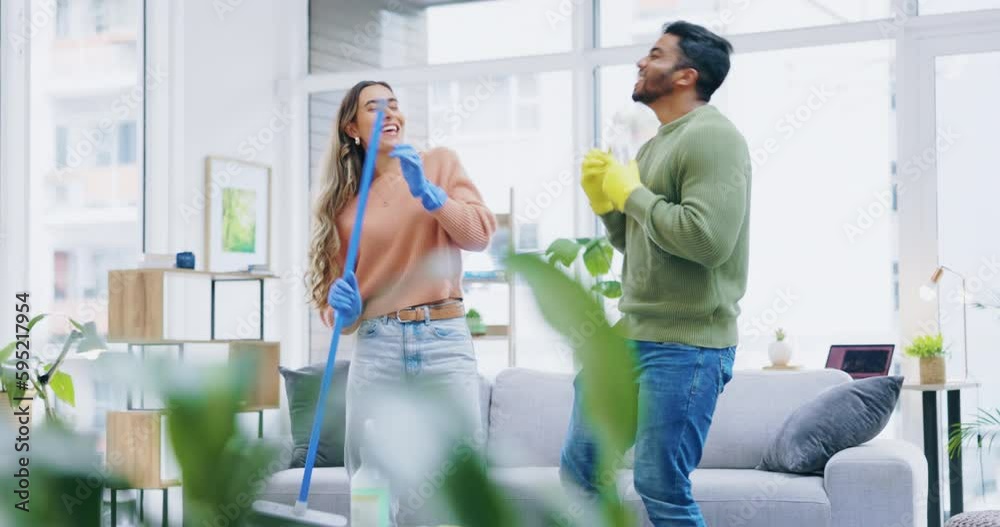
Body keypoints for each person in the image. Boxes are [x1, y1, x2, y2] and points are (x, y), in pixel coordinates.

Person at [560, 21, 751, 527]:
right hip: (633, 334)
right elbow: (637, 244)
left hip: (687, 345)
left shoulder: (714, 139)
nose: (642, 63)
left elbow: (706, 242)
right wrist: (608, 206)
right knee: (581, 469)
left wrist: (633, 195)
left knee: (660, 483)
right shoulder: (655, 145)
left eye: (655, 54)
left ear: (686, 75)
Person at [306, 80, 496, 523]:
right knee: (372, 480)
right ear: (352, 127)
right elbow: (334, 311)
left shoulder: (439, 163)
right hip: (378, 345)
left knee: (458, 475)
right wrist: (344, 311)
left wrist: (430, 194)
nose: (390, 113)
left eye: (394, 104)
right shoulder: (342, 205)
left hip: (443, 337)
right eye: (374, 108)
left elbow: (479, 235)